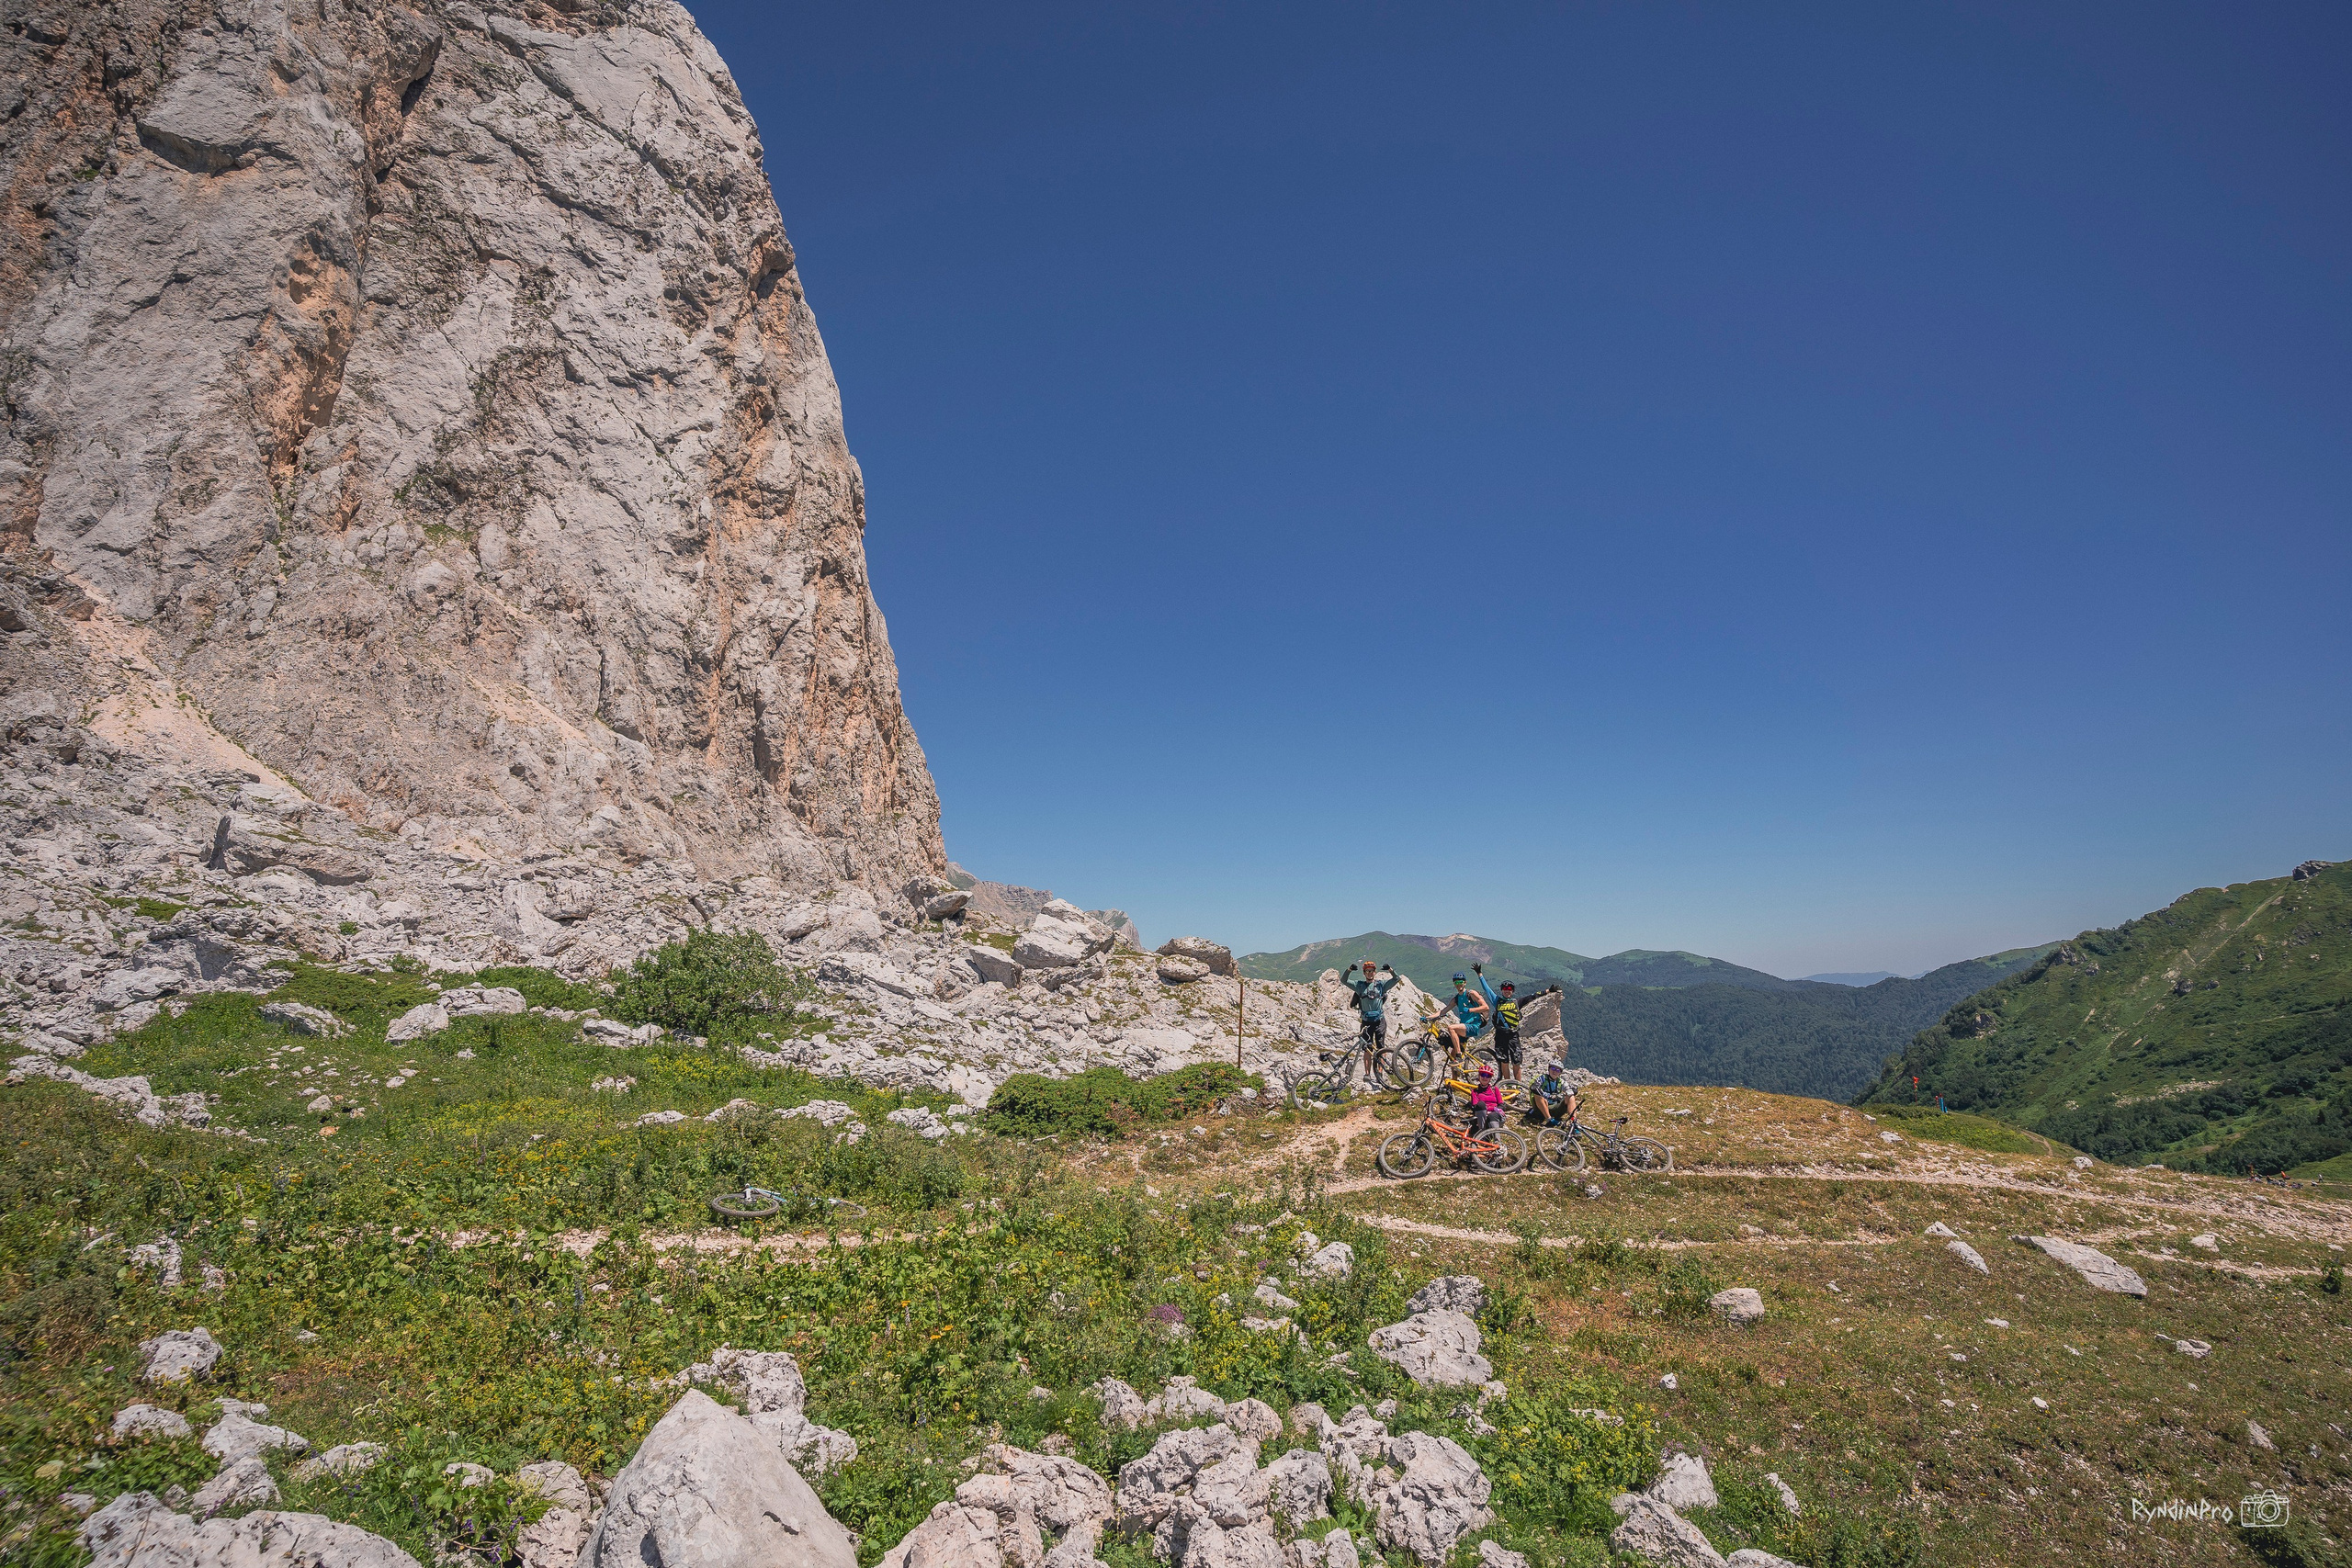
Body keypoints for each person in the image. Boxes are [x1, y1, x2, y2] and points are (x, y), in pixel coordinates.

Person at [1340, 960, 1398, 1078]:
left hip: (1379, 1021)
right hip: (1366, 1022)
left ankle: (1380, 1072)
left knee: (1381, 1046)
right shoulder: (1359, 985)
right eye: (1367, 971)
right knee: (1367, 1048)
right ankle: (1367, 1074)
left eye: (1371, 971)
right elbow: (1343, 981)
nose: (1369, 973)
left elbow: (1396, 979)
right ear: (1364, 973)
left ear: (1375, 972)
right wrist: (1349, 970)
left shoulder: (1381, 985)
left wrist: (1390, 970)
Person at [1489, 981, 1525, 1083]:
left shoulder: (1516, 1002)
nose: (1507, 991)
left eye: (1509, 989)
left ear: (1512, 991)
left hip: (1513, 1035)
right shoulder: (1497, 1001)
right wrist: (1480, 975)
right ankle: (1508, 1086)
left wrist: (1548, 991)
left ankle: (1518, 1087)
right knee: (1504, 1062)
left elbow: (1532, 996)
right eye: (1505, 989)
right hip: (1500, 1035)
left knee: (1516, 1062)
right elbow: (1487, 990)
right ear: (1501, 990)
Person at [1530, 1060, 1577, 1127]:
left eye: (1558, 1070)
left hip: (1555, 1107)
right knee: (1538, 1095)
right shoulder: (1543, 1078)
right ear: (1549, 1069)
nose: (1554, 1071)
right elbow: (1533, 1087)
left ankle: (1574, 1123)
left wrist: (1562, 1095)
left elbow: (1571, 1090)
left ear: (1560, 1073)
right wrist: (1548, 1096)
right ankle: (1549, 1120)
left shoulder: (1561, 1082)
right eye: (1553, 1068)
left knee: (1571, 1096)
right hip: (1541, 1108)